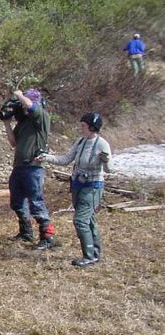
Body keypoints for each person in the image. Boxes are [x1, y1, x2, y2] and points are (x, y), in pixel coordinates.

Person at [37, 113, 111, 267]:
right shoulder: (80, 142)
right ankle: (95, 253)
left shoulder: (102, 144)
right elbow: (65, 159)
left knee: (80, 221)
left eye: (83, 125)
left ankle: (89, 256)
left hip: (92, 187)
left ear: (92, 127)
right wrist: (46, 157)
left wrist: (106, 160)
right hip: (77, 185)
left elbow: (109, 169)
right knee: (89, 219)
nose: (81, 127)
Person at [2, 88, 56, 249]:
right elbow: (13, 142)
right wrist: (7, 123)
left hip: (34, 167)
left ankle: (47, 236)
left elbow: (31, 107)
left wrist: (19, 95)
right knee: (17, 201)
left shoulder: (41, 117)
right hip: (19, 166)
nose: (22, 107)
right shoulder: (24, 123)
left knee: (35, 201)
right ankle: (26, 232)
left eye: (24, 103)